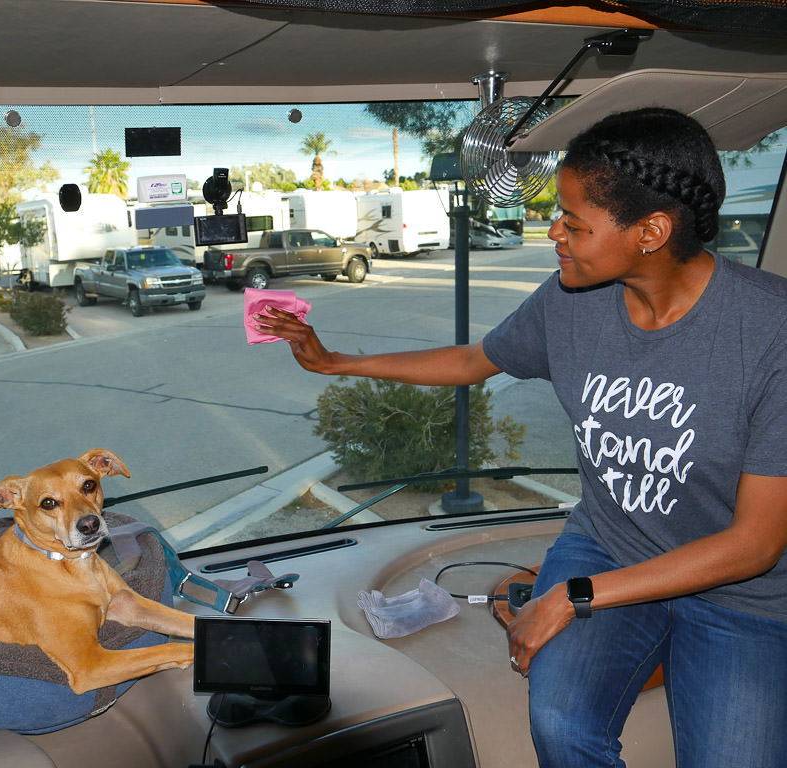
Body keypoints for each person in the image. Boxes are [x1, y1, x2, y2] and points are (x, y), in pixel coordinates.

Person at [253, 108, 787, 768]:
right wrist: (335, 362)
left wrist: (571, 594)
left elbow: (755, 544)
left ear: (651, 230)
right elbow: (474, 361)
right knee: (561, 724)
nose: (552, 233)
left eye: (573, 222)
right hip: (609, 544)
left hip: (739, 594)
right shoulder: (571, 299)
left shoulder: (771, 332)